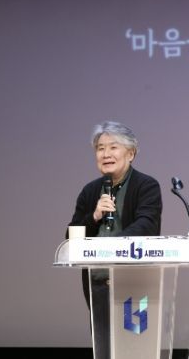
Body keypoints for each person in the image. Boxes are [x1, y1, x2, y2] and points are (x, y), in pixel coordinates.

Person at [66, 120, 162, 354]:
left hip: (134, 281)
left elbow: (147, 226)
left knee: (135, 344)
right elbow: (71, 234)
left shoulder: (146, 186)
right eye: (100, 148)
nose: (106, 154)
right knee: (104, 346)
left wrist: (111, 247)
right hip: (98, 281)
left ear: (131, 153)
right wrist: (95, 216)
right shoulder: (90, 191)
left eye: (113, 147)